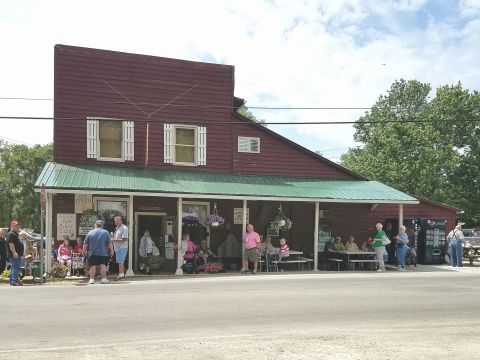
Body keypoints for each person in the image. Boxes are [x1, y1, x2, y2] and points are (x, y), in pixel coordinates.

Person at [83, 220, 114, 284]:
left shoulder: (90, 233)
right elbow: (109, 243)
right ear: (102, 225)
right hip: (103, 253)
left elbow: (85, 244)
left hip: (92, 253)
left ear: (95, 225)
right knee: (103, 265)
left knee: (93, 266)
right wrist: (112, 251)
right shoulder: (106, 232)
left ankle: (91, 279)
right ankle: (103, 279)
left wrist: (84, 251)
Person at [7, 220, 24, 286]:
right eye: (16, 225)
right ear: (12, 226)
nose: (18, 226)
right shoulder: (10, 234)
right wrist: (14, 252)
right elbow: (11, 244)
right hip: (14, 254)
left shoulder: (16, 234)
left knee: (15, 267)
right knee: (15, 267)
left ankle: (12, 281)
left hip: (18, 254)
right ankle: (14, 280)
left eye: (18, 225)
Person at [112, 215, 129, 280]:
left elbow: (125, 239)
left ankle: (121, 275)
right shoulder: (117, 228)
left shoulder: (124, 228)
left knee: (121, 262)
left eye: (118, 220)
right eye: (115, 221)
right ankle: (122, 274)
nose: (116, 222)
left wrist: (113, 240)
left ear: (121, 220)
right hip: (117, 248)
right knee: (120, 262)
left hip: (122, 247)